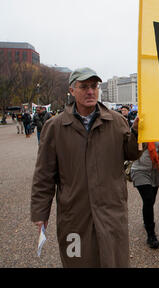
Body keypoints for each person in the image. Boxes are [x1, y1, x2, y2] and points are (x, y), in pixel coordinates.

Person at [30, 67, 140, 267]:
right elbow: (44, 174)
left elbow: (133, 153)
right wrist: (40, 212)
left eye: (94, 86)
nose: (90, 91)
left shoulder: (117, 122)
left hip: (111, 211)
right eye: (84, 87)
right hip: (75, 214)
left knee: (113, 260)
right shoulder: (55, 127)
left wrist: (139, 133)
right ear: (72, 90)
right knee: (78, 261)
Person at [131, 141, 159, 249]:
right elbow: (131, 150)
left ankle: (147, 221)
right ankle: (151, 235)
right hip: (140, 170)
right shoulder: (140, 130)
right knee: (148, 200)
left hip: (156, 171)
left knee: (150, 201)